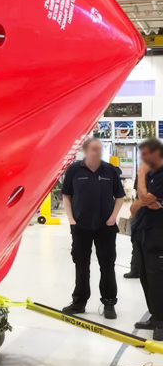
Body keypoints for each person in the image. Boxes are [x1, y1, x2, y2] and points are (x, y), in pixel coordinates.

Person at [61, 137, 124, 319]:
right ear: (86, 151)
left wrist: (113, 217)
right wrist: (71, 219)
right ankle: (79, 301)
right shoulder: (74, 170)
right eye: (94, 149)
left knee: (107, 266)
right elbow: (67, 196)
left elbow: (119, 197)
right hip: (81, 227)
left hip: (106, 227)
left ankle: (109, 303)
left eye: (100, 149)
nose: (98, 152)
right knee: (81, 265)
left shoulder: (110, 171)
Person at [129, 138, 163, 339]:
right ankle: (155, 314)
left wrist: (141, 173)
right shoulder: (145, 175)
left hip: (158, 231)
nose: (143, 159)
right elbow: (135, 206)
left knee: (158, 277)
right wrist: (142, 201)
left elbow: (143, 197)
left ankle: (161, 321)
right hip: (141, 229)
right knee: (145, 276)